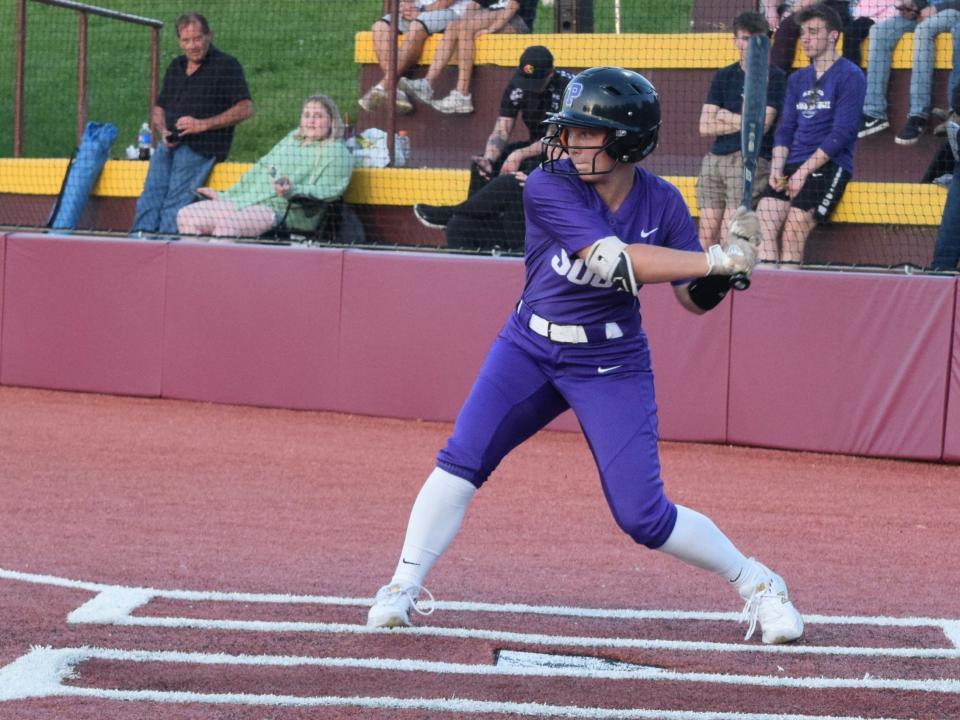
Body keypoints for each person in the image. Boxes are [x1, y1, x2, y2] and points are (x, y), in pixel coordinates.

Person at [365, 66, 805, 647]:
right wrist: (716, 259)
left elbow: (692, 301)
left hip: (611, 363)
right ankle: (401, 585)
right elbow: (613, 261)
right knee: (461, 459)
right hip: (528, 348)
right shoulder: (550, 185)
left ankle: (760, 584)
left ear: (625, 141)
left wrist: (732, 267)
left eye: (585, 132)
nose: (569, 142)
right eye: (567, 131)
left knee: (642, 516)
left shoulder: (664, 202)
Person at [412, 45, 574, 233]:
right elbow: (502, 129)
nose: (530, 89)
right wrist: (489, 158)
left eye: (536, 84)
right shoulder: (517, 86)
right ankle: (469, 223)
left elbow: (554, 138)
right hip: (533, 147)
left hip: (561, 153)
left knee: (521, 172)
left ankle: (453, 213)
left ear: (550, 74)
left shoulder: (566, 87)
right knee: (482, 166)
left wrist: (519, 154)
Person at [756, 4, 865, 264]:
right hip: (792, 164)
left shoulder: (851, 75)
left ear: (833, 36)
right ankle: (769, 297)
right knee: (764, 220)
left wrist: (802, 173)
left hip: (829, 167)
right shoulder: (797, 79)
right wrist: (777, 169)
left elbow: (842, 134)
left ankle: (789, 297)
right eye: (803, 32)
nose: (805, 38)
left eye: (813, 32)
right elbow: (785, 130)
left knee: (794, 229)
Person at [131, 12, 253, 236]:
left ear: (209, 35)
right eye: (186, 41)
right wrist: (163, 130)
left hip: (202, 145)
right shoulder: (176, 66)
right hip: (170, 143)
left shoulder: (227, 65)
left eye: (197, 38)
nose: (193, 45)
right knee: (150, 196)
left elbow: (246, 108)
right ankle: (138, 246)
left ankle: (164, 252)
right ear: (179, 42)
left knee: (174, 202)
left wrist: (203, 125)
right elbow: (159, 107)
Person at [176, 95, 353, 239]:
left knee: (228, 229)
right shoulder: (291, 140)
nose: (311, 121)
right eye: (307, 115)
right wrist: (225, 195)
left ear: (331, 121)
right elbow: (261, 169)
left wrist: (293, 190)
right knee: (187, 216)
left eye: (318, 116)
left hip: (283, 210)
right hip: (245, 201)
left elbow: (330, 191)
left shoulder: (336, 152)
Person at [696, 11, 787, 248]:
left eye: (756, 39)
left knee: (732, 232)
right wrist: (744, 119)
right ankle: (701, 282)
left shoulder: (775, 78)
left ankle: (730, 281)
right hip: (715, 160)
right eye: (744, 39)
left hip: (750, 160)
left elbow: (762, 126)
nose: (749, 45)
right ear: (735, 41)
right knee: (705, 236)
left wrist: (725, 116)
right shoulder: (724, 76)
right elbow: (705, 126)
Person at [399, 0, 538, 115]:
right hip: (490, 14)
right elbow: (474, 4)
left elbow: (512, 6)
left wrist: (491, 29)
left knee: (465, 28)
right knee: (454, 26)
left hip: (515, 20)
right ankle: (426, 84)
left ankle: (462, 94)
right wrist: (464, 20)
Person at [857, 0, 960, 144]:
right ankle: (874, 113)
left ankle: (918, 115)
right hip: (923, 12)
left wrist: (937, 8)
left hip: (953, 10)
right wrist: (914, 5)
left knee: (923, 30)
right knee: (879, 32)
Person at [358, 0, 472, 115]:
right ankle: (396, 91)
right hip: (417, 10)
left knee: (416, 26)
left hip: (449, 11)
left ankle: (383, 86)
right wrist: (404, 5)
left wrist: (421, 11)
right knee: (379, 27)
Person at [767, 0, 852, 75]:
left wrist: (792, 11)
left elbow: (806, 3)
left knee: (786, 27)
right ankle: (775, 75)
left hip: (832, 7)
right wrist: (771, 10)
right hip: (799, 8)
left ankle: (777, 76)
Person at [841, 0, 899, 67]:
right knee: (850, 30)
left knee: (853, 30)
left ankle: (851, 69)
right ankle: (849, 67)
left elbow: (863, 12)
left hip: (883, 20)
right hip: (871, 18)